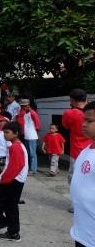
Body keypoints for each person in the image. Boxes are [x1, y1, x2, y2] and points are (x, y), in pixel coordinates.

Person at [0, 122, 28, 242]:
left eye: (7, 132)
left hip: (14, 180)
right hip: (16, 179)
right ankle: (13, 232)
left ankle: (1, 222)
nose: (5, 135)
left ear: (16, 133)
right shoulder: (14, 145)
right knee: (10, 205)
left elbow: (15, 167)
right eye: (4, 132)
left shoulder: (16, 147)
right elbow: (11, 165)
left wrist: (2, 180)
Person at [70, 100, 95, 247]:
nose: (84, 124)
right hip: (82, 232)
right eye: (84, 120)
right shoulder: (86, 150)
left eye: (89, 121)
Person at [62, 89, 91, 213]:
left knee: (74, 178)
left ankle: (76, 204)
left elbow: (66, 126)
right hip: (91, 150)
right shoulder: (91, 113)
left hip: (77, 151)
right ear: (86, 99)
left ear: (72, 100)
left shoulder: (70, 113)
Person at [19, 99, 41, 176]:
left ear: (28, 105)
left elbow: (38, 125)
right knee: (28, 153)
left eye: (24, 106)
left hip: (32, 136)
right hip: (27, 136)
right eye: (22, 106)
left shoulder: (33, 113)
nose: (23, 108)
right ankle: (30, 168)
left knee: (32, 154)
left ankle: (33, 169)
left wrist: (36, 134)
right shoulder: (25, 114)